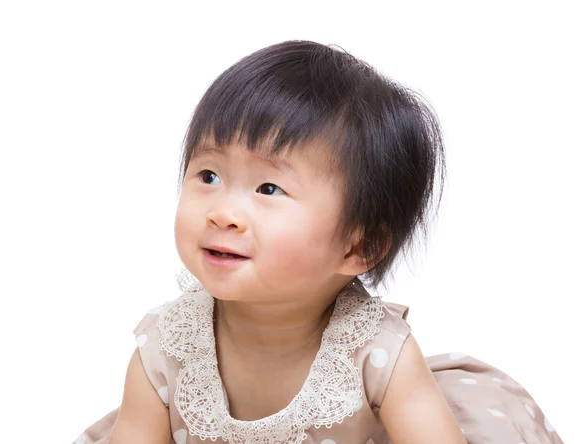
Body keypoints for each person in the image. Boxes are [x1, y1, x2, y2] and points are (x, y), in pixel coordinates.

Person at [75, 40, 563, 444]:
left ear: (358, 248)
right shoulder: (166, 345)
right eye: (209, 174)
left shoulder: (377, 351)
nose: (222, 212)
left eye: (269, 188)